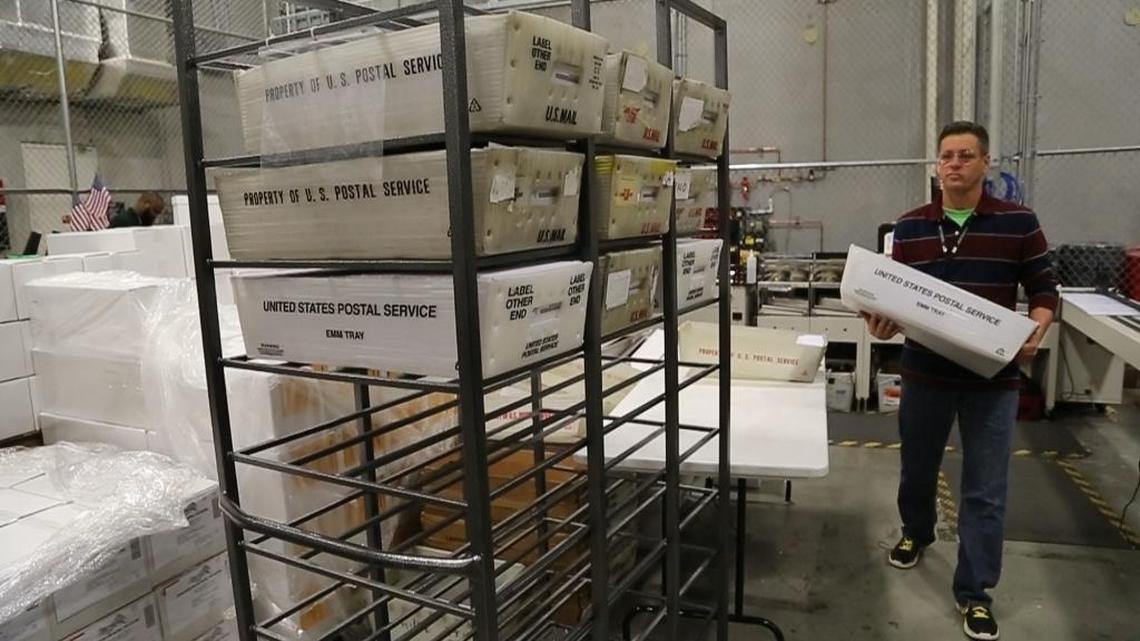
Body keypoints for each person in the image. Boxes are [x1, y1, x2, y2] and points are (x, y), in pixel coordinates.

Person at [864, 121, 1057, 640]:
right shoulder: (910, 227)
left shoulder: (1018, 223)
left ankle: (975, 593)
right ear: (937, 165)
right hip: (925, 373)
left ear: (985, 163)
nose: (954, 164)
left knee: (986, 490)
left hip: (992, 383)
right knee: (917, 468)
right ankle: (915, 532)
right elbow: (889, 298)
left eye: (965, 155)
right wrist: (878, 322)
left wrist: (1037, 327)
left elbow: (1044, 290)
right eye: (946, 156)